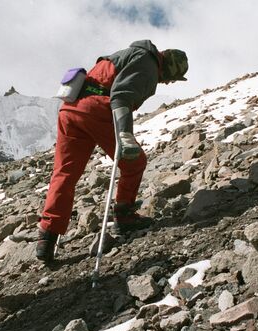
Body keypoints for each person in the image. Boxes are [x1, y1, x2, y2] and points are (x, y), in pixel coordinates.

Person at [37, 40, 188, 263]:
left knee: (65, 174)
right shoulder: (147, 64)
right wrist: (125, 135)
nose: (168, 83)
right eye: (172, 78)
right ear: (169, 67)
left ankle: (46, 238)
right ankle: (124, 217)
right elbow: (121, 96)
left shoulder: (126, 54)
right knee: (134, 162)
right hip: (96, 108)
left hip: (70, 110)